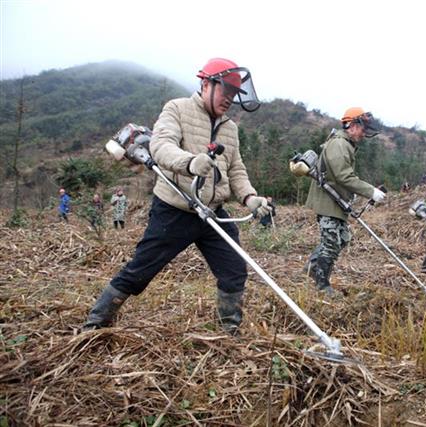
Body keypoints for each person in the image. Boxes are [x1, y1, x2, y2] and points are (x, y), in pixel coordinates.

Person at [83, 57, 269, 335]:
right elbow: (160, 146)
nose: (229, 98)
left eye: (234, 94)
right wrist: (190, 162)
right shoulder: (177, 109)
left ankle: (230, 331)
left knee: (234, 270)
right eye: (225, 91)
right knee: (140, 270)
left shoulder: (230, 128)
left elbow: (236, 169)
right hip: (175, 209)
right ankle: (96, 322)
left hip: (213, 213)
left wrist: (249, 198)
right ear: (206, 84)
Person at [304, 107, 385, 295]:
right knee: (331, 243)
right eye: (363, 129)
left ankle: (312, 266)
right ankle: (322, 284)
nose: (364, 134)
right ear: (353, 125)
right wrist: (369, 191)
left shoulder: (346, 145)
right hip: (328, 203)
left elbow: (339, 177)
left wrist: (352, 194)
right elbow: (343, 176)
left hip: (337, 201)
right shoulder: (340, 144)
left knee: (342, 239)